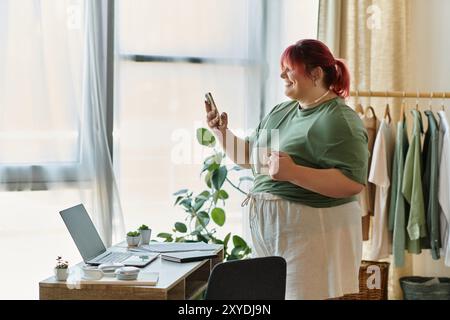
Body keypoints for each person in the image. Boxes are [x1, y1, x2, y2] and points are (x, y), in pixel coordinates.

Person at [204, 39, 369, 300]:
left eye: (289, 68)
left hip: (312, 237)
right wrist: (220, 132)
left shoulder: (339, 119)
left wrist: (293, 172)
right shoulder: (281, 112)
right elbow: (249, 157)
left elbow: (352, 182)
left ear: (315, 74)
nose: (282, 74)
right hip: (274, 236)